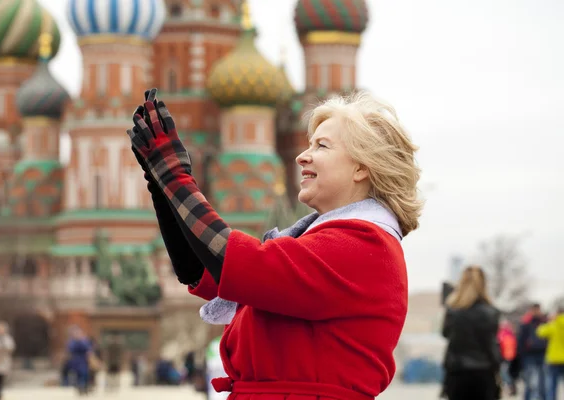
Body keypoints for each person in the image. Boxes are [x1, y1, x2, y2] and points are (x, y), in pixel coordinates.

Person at [127, 88, 422, 399]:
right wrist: (160, 184)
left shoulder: (364, 245)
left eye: (321, 146)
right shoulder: (327, 241)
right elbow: (199, 269)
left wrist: (175, 175)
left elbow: (233, 261)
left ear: (362, 167)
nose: (302, 156)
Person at [441, 266, 501, 400]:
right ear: (483, 284)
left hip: (457, 371)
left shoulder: (453, 311)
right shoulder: (491, 312)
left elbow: (445, 333)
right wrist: (497, 366)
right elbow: (491, 345)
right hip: (483, 372)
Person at [518, 303, 548, 400]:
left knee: (542, 380)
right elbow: (521, 340)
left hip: (542, 353)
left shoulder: (544, 321)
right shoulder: (527, 322)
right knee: (530, 380)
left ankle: (542, 397)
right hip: (529, 355)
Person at [536, 307, 564, 400]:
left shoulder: (553, 324)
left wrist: (549, 320)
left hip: (554, 359)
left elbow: (540, 332)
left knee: (552, 385)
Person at [66, 326, 92, 395]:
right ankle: (80, 388)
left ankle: (85, 388)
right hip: (76, 361)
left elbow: (88, 349)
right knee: (77, 375)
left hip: (83, 360)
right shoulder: (72, 341)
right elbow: (70, 350)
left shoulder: (84, 340)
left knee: (84, 374)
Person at [498, 319, 518, 396]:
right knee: (504, 373)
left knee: (504, 374)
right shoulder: (508, 334)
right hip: (506, 357)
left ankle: (511, 387)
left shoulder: (505, 335)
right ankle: (510, 387)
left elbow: (507, 349)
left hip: (506, 358)